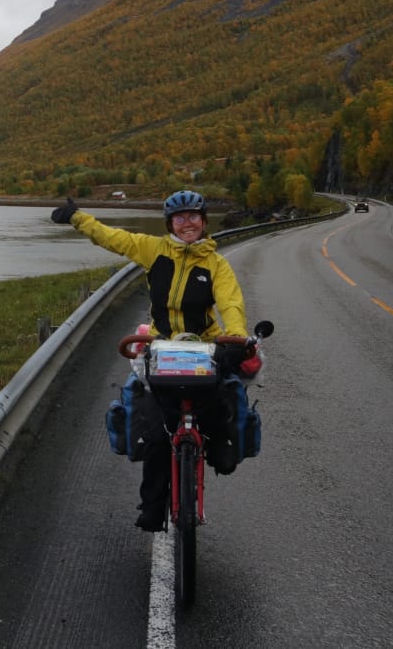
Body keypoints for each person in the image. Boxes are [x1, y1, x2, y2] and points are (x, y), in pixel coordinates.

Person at [51, 189, 250, 531]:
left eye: (193, 217)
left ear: (204, 222)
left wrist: (235, 337)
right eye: (180, 218)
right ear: (170, 223)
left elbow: (230, 303)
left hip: (202, 346)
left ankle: (219, 448)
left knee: (222, 400)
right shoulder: (153, 250)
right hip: (161, 347)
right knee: (157, 430)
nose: (187, 223)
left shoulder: (216, 264)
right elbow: (113, 239)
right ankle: (153, 507)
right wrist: (77, 218)